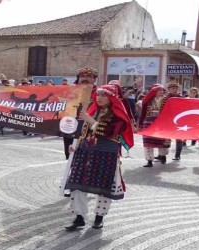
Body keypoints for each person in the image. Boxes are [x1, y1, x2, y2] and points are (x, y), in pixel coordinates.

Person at [62, 85, 134, 231]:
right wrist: (75, 146)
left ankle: (99, 217)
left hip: (106, 153)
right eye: (98, 95)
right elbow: (83, 132)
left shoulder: (118, 115)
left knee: (103, 186)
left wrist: (90, 121)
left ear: (111, 97)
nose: (99, 98)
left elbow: (109, 133)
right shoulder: (92, 110)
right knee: (76, 183)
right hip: (85, 151)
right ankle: (79, 217)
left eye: (103, 95)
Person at [63, 67, 98, 160]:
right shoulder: (69, 92)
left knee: (88, 159)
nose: (84, 78)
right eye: (82, 76)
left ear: (94, 79)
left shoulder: (100, 94)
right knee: (71, 158)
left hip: (90, 130)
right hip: (71, 128)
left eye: (89, 76)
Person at [138, 84, 170, 167]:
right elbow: (143, 113)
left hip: (161, 123)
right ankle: (149, 160)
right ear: (154, 91)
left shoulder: (167, 100)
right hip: (148, 122)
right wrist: (140, 123)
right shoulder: (147, 100)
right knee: (147, 142)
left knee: (162, 140)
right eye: (159, 90)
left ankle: (162, 156)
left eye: (162, 90)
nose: (161, 92)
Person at [165, 82, 186, 161]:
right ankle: (163, 155)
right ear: (169, 89)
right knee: (165, 137)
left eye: (176, 88)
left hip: (178, 119)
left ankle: (177, 154)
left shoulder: (181, 98)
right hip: (168, 119)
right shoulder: (165, 98)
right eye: (173, 88)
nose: (175, 90)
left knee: (179, 138)